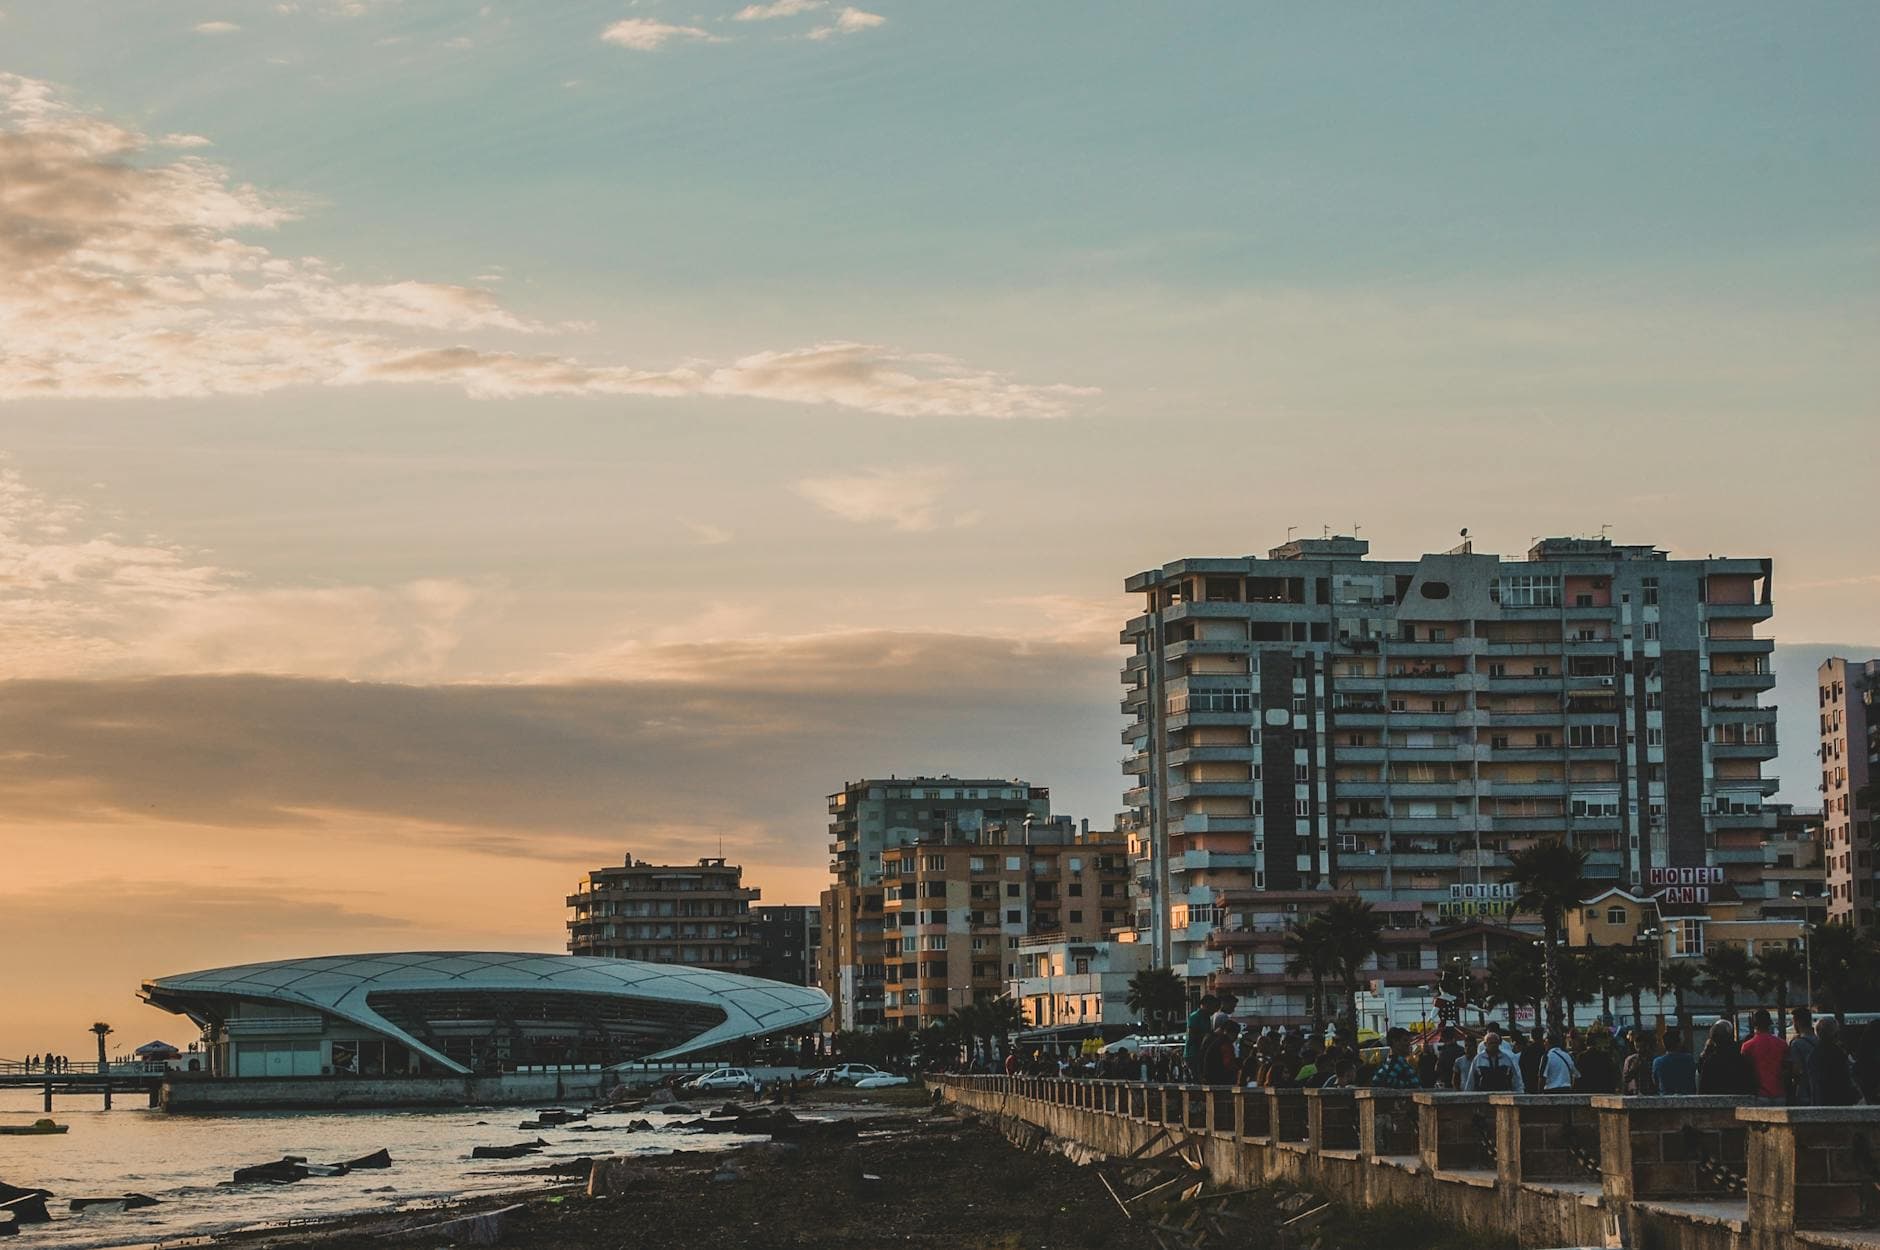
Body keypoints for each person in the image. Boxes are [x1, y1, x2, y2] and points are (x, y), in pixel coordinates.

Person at [1807, 1017, 1859, 1106]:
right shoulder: (1838, 1053)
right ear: (1835, 1033)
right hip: (1840, 1099)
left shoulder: (1814, 1053)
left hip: (1820, 1100)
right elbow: (1846, 1077)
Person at [1739, 1008, 1788, 1100]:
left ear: (1754, 1024)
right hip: (1779, 1092)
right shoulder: (1782, 1044)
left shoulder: (1747, 1046)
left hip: (1759, 1093)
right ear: (1769, 1023)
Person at [1697, 1019, 1751, 1095]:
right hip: (1739, 1099)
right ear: (1730, 1035)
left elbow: (1703, 1089)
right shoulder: (1741, 1057)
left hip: (1716, 1101)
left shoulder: (1709, 1061)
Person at [1786, 1008, 1817, 1105]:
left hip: (1804, 1091)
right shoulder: (1820, 1040)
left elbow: (1796, 1070)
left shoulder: (1797, 1044)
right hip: (1820, 1089)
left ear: (1797, 1022)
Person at [1652, 1026, 1697, 1094]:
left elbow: (1656, 1082)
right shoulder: (1689, 1059)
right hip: (1687, 1099)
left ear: (1664, 1044)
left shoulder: (1657, 1062)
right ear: (1679, 1043)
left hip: (1666, 1100)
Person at [1184, 995, 1220, 1076]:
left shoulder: (1207, 1018)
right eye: (1213, 1007)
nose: (1215, 1010)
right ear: (1206, 1005)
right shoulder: (1195, 1016)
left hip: (1202, 1053)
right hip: (1193, 1053)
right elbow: (1192, 1035)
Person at [1575, 1028, 1617, 1094]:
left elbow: (1578, 1075)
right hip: (1603, 1089)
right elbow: (1611, 1073)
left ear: (1586, 1043)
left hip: (1586, 1089)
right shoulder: (1604, 1056)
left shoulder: (1582, 1056)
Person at [1622, 1030, 1658, 1095]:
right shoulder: (1630, 1060)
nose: (1639, 1050)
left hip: (1651, 1092)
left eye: (1642, 1047)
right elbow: (1625, 1079)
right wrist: (1633, 1068)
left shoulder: (1654, 1059)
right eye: (1637, 1047)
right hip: (1635, 1093)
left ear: (1647, 1045)